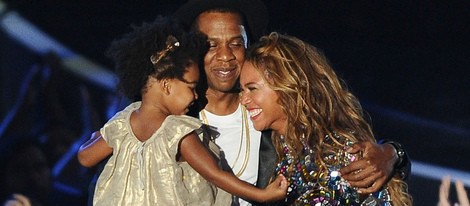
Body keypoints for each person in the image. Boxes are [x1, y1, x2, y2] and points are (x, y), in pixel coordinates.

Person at [84, 0, 411, 205]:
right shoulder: (167, 117)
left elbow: (334, 150)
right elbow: (113, 180)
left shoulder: (270, 117)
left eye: (235, 43)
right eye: (210, 44)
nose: (224, 56)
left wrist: (393, 154)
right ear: (191, 52)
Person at [77, 16, 287, 205]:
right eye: (191, 87)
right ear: (167, 85)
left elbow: (85, 157)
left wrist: (102, 135)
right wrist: (262, 195)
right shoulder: (177, 130)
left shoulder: (123, 123)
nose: (195, 95)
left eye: (236, 43)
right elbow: (214, 174)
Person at [239, 32, 413, 205]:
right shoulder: (281, 145)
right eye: (242, 90)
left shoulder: (337, 155)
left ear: (288, 86)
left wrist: (394, 153)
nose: (243, 99)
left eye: (252, 88)